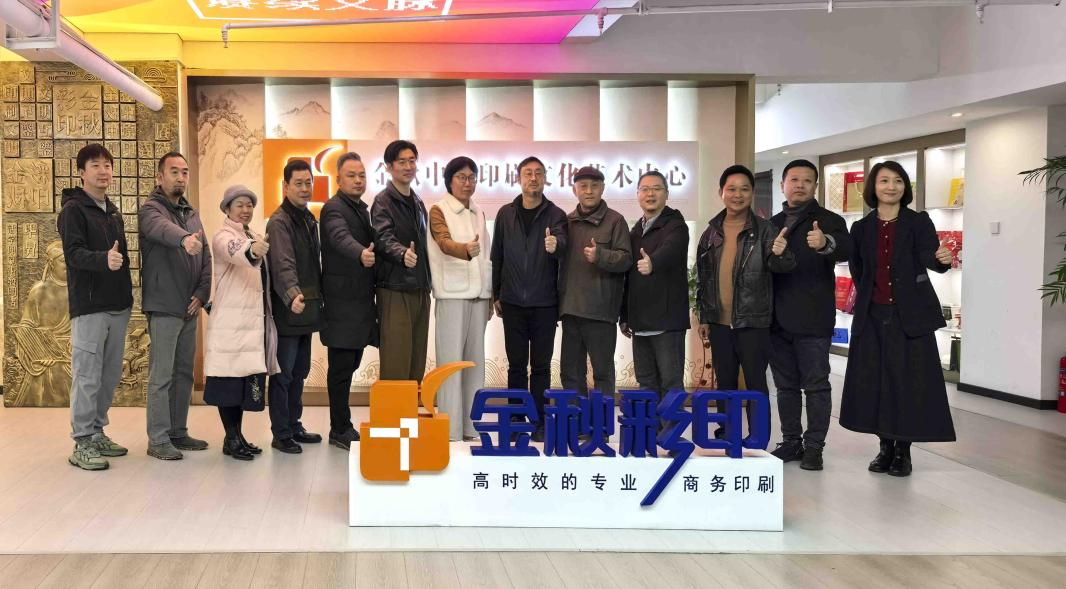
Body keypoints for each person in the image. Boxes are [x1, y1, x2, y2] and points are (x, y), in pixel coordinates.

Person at [840, 160, 956, 477]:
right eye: (884, 181)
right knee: (877, 383)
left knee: (907, 384)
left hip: (910, 316)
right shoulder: (861, 228)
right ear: (873, 187)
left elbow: (931, 257)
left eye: (898, 181)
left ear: (905, 187)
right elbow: (858, 270)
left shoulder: (918, 222)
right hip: (872, 316)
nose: (891, 187)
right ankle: (885, 448)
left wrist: (942, 259)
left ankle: (903, 451)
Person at [696, 164, 796, 438]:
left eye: (744, 189)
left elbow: (782, 267)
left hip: (754, 321)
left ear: (752, 193)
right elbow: (704, 278)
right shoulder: (710, 233)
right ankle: (727, 432)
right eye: (731, 189)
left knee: (755, 383)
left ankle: (758, 436)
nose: (737, 195)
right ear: (721, 192)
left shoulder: (766, 230)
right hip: (719, 322)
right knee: (725, 382)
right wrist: (705, 315)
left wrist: (782, 253)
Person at [767, 159, 853, 471]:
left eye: (807, 180)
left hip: (813, 318)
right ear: (783, 185)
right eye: (794, 179)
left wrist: (825, 243)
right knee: (785, 386)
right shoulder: (772, 223)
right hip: (777, 319)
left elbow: (846, 249)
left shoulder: (829, 220)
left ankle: (815, 447)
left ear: (815, 186)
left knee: (816, 385)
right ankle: (791, 441)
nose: (800, 185)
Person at [57, 143, 133, 471]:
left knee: (109, 375)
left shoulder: (112, 211)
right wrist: (104, 260)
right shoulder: (73, 210)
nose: (103, 171)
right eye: (95, 165)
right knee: (87, 376)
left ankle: (98, 431)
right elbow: (73, 254)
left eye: (107, 165)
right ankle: (82, 441)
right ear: (81, 172)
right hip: (89, 306)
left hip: (118, 305)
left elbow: (121, 259)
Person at [139, 152, 211, 460]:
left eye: (184, 172)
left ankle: (178, 432)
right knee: (161, 376)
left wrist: (202, 292)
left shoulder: (191, 212)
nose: (181, 177)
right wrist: (184, 240)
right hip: (164, 305)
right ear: (160, 177)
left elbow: (206, 255)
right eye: (174, 172)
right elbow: (161, 229)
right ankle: (157, 439)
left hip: (190, 306)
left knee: (184, 374)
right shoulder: (150, 209)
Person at [490, 156, 568, 441]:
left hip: (545, 303)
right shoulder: (505, 213)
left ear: (545, 178)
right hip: (512, 301)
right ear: (519, 178)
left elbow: (564, 245)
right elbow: (497, 255)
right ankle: (515, 418)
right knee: (516, 366)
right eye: (527, 173)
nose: (533, 178)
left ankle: (539, 421)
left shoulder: (556, 214)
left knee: (542, 367)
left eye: (538, 173)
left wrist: (556, 244)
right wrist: (496, 293)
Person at [204, 185, 278, 461]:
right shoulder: (223, 235)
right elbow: (236, 251)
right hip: (231, 324)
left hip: (251, 324)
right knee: (228, 383)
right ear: (227, 209)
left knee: (243, 383)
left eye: (249, 205)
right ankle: (232, 438)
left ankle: (236, 437)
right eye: (239, 205)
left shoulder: (253, 234)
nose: (246, 210)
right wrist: (253, 249)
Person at [427, 156, 492, 441]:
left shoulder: (478, 211)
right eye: (461, 177)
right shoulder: (439, 209)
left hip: (479, 295)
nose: (468, 183)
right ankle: (450, 428)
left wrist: (490, 293)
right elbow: (443, 241)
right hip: (452, 294)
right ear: (449, 180)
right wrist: (464, 249)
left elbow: (487, 253)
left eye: (472, 177)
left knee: (474, 363)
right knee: (450, 363)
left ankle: (471, 425)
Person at [559, 166, 633, 409]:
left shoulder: (615, 221)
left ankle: (601, 424)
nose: (588, 191)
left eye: (594, 186)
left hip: (601, 311)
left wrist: (600, 255)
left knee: (602, 373)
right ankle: (574, 421)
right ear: (575, 190)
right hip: (571, 309)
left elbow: (626, 260)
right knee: (571, 373)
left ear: (602, 188)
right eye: (583, 186)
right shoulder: (566, 221)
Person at [620, 171, 690, 422]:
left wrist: (653, 262)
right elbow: (628, 277)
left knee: (671, 383)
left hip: (667, 321)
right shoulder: (635, 230)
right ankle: (650, 435)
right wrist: (625, 315)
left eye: (657, 189)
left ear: (667, 194)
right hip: (640, 322)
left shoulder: (676, 225)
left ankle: (670, 435)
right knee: (646, 383)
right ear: (638, 194)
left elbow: (671, 250)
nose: (650, 194)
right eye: (645, 189)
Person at [320, 152, 378, 450]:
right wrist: (360, 253)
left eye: (362, 175)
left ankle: (342, 426)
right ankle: (339, 428)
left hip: (359, 303)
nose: (358, 180)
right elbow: (339, 237)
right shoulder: (333, 208)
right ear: (338, 179)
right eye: (351, 176)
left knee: (351, 364)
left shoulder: (361, 209)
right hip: (341, 305)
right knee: (341, 370)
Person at [266, 159, 324, 454]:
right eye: (298, 183)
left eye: (308, 183)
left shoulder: (308, 218)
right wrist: (292, 295)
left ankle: (294, 424)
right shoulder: (280, 221)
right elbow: (282, 264)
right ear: (285, 186)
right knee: (283, 373)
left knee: (299, 370)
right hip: (289, 309)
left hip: (307, 307)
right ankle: (281, 432)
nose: (304, 188)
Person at [371, 140, 432, 382]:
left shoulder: (418, 202)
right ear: (388, 167)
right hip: (395, 289)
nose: (408, 167)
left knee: (417, 362)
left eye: (412, 161)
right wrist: (402, 253)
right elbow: (383, 237)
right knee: (396, 362)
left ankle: (411, 409)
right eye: (402, 162)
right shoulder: (383, 201)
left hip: (420, 288)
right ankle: (394, 410)